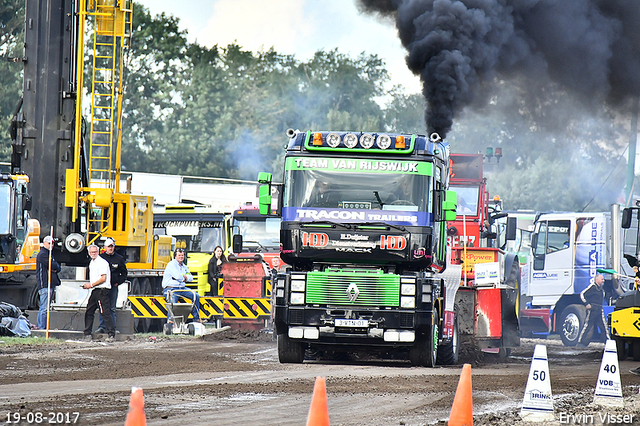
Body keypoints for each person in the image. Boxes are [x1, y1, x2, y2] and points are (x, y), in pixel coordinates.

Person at [82, 244, 115, 342]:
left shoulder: (102, 262)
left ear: (98, 252)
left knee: (105, 312)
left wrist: (91, 284)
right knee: (89, 311)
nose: (93, 254)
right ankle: (87, 333)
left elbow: (103, 278)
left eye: (95, 252)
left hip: (102, 290)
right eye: (91, 252)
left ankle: (111, 334)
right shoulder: (92, 262)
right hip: (96, 290)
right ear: (89, 253)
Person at [162, 248, 201, 323]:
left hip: (182, 288)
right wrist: (185, 277)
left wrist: (184, 277)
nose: (181, 257)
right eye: (179, 255)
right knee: (172, 302)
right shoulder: (171, 264)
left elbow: (191, 277)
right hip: (171, 289)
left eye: (182, 255)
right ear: (175, 256)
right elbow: (177, 276)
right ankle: (170, 321)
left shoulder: (184, 266)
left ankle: (196, 319)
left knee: (196, 295)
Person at [97, 238, 127, 334]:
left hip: (113, 287)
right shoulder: (100, 258)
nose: (110, 248)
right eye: (109, 246)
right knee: (102, 307)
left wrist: (118, 282)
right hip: (102, 287)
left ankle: (112, 328)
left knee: (112, 308)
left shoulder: (119, 258)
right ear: (105, 247)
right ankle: (102, 327)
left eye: (112, 246)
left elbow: (124, 273)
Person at [36, 236, 61, 330]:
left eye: (53, 243)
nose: (51, 245)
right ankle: (41, 327)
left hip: (51, 284)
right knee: (44, 308)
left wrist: (55, 267)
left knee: (46, 307)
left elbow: (57, 267)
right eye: (49, 243)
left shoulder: (49, 254)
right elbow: (52, 265)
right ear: (44, 243)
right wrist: (54, 267)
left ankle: (44, 326)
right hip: (45, 284)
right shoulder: (42, 254)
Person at [577, 273, 610, 346]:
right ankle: (581, 342)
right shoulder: (592, 287)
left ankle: (607, 342)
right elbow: (582, 294)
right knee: (588, 325)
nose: (603, 281)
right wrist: (587, 303)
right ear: (596, 279)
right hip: (592, 309)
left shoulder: (601, 290)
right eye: (602, 279)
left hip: (599, 309)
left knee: (603, 326)